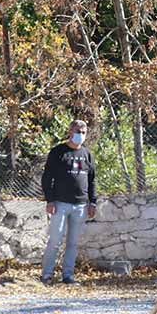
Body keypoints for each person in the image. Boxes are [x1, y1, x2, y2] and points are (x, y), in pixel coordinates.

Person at [40, 119, 97, 285]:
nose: (80, 135)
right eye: (77, 131)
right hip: (60, 204)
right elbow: (47, 177)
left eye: (83, 132)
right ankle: (47, 275)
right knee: (55, 241)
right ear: (70, 132)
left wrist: (92, 202)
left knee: (72, 243)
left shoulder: (87, 154)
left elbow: (92, 180)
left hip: (80, 205)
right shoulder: (58, 152)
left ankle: (68, 276)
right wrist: (50, 200)